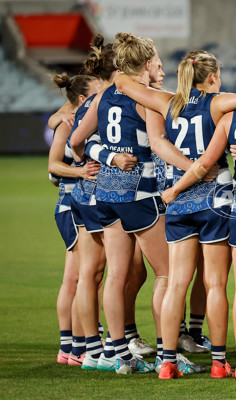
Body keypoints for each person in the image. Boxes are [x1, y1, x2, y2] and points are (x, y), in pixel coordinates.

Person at [114, 52, 236, 379]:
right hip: (216, 196)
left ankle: (167, 362)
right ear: (213, 77)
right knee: (216, 284)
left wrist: (131, 67)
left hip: (179, 199)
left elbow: (121, 82)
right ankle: (220, 362)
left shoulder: (166, 102)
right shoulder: (218, 103)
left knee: (176, 285)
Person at [71, 32, 170, 375]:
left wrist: (109, 156)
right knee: (167, 275)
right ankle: (167, 354)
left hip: (106, 196)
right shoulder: (148, 98)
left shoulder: (102, 97)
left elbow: (77, 143)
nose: (161, 66)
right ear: (146, 64)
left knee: (116, 276)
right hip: (138, 196)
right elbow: (159, 144)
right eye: (157, 60)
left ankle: (119, 356)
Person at [49, 73, 102, 366]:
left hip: (76, 203)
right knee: (78, 277)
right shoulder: (69, 122)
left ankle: (72, 347)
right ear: (82, 99)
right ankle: (77, 346)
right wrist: (81, 172)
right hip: (71, 205)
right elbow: (53, 166)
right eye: (95, 92)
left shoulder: (79, 120)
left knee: (80, 276)